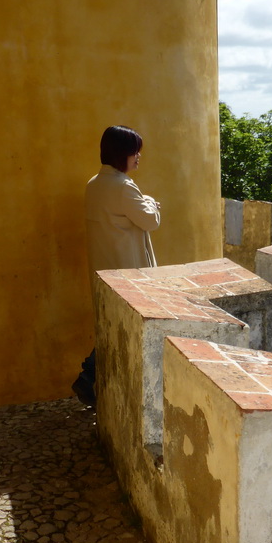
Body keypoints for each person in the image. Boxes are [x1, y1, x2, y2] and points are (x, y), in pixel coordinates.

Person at [72, 125, 160, 407]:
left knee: (115, 323)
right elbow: (150, 220)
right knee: (129, 326)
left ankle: (90, 376)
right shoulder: (123, 186)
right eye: (135, 152)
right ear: (123, 153)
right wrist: (150, 202)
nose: (138, 158)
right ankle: (89, 374)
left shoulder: (93, 184)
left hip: (105, 267)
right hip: (129, 269)